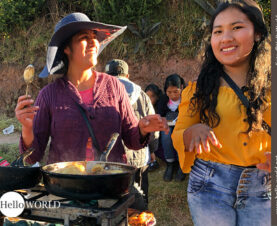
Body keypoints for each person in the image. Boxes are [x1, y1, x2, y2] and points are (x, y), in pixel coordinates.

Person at [15, 12, 168, 166]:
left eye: (94, 36)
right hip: (66, 184)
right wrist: (27, 128)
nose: (94, 42)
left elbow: (132, 141)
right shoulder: (49, 95)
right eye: (84, 38)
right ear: (67, 48)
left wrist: (142, 129)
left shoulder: (114, 86)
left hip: (110, 183)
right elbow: (32, 157)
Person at [171, 0, 271, 225]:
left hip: (264, 189)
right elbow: (179, 134)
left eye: (236, 27)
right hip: (209, 186)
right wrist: (191, 133)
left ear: (257, 34)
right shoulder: (198, 89)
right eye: (218, 31)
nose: (225, 38)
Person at [105, 59, 159, 210]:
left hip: (111, 160)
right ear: (127, 75)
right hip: (138, 158)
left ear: (106, 76)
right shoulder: (142, 95)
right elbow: (152, 126)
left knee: (113, 202)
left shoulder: (101, 94)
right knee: (138, 200)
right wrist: (153, 150)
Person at [157, 74, 186, 182]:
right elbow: (160, 115)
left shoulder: (186, 98)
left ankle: (181, 165)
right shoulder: (164, 99)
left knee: (180, 136)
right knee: (166, 134)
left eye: (176, 91)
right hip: (168, 127)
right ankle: (170, 163)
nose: (173, 95)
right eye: (169, 92)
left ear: (182, 87)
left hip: (183, 126)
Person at [145, 84, 163, 171]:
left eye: (152, 96)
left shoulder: (160, 107)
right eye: (147, 96)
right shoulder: (143, 106)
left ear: (157, 97)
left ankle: (154, 161)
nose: (149, 99)